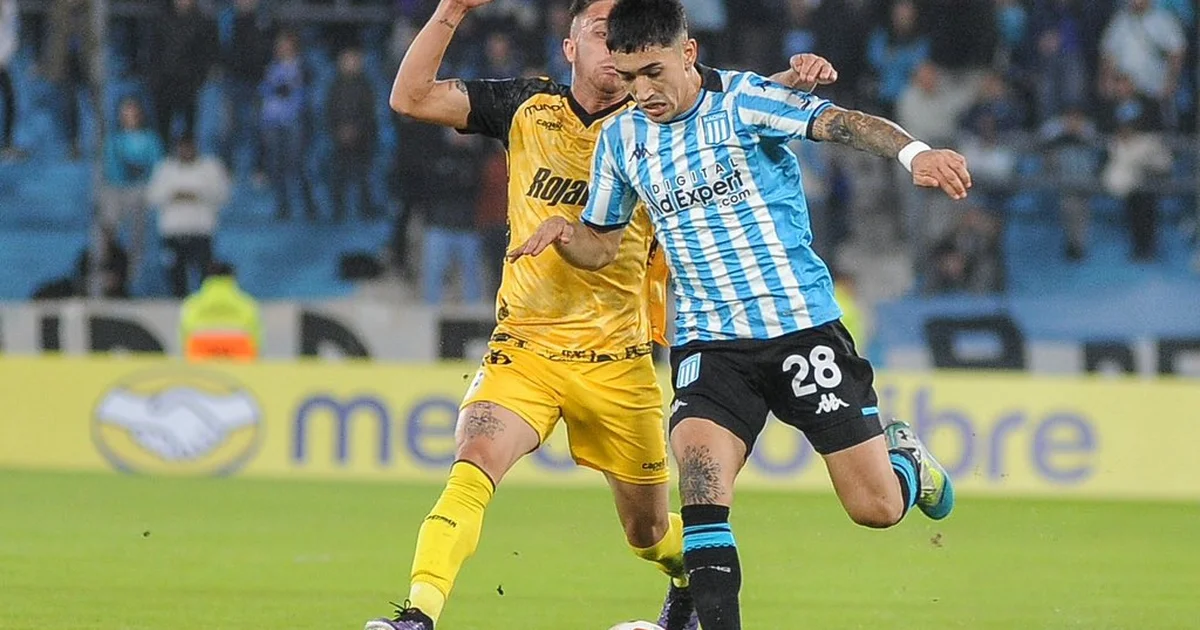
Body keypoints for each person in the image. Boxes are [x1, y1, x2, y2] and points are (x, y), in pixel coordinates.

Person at [366, 0, 838, 628]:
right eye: (599, 34)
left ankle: (689, 579)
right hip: (526, 346)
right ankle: (416, 614)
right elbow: (410, 96)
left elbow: (737, 97)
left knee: (646, 532)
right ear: (571, 49)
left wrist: (793, 77)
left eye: (624, 41)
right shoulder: (526, 107)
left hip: (620, 359)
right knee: (476, 454)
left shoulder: (658, 114)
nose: (615, 50)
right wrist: (452, 10)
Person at [511, 1, 968, 628]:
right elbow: (603, 242)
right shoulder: (621, 139)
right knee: (700, 491)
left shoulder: (744, 104)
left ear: (688, 54)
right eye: (627, 77)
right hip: (708, 344)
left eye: (652, 73)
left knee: (876, 509)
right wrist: (568, 232)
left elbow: (842, 123)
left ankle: (906, 462)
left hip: (799, 329)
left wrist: (915, 154)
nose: (640, 92)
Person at [179, 262, 262, 361]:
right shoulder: (247, 302)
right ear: (233, 277)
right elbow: (255, 333)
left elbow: (185, 331)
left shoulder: (193, 302)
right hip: (239, 345)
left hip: (201, 344)